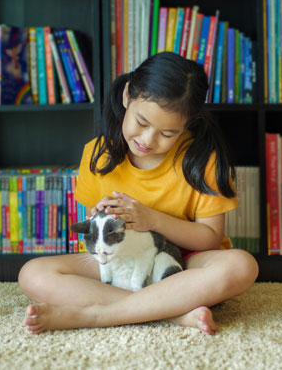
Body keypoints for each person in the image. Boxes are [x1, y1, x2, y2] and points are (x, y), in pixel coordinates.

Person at [19, 52, 259, 335]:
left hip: (183, 264)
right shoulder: (98, 155)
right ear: (126, 96)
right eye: (142, 123)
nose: (148, 140)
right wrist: (100, 217)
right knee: (32, 274)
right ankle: (174, 314)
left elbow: (209, 239)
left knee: (242, 265)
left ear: (187, 125)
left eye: (167, 133)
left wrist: (152, 219)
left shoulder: (202, 159)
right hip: (124, 261)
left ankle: (98, 315)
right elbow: (97, 237)